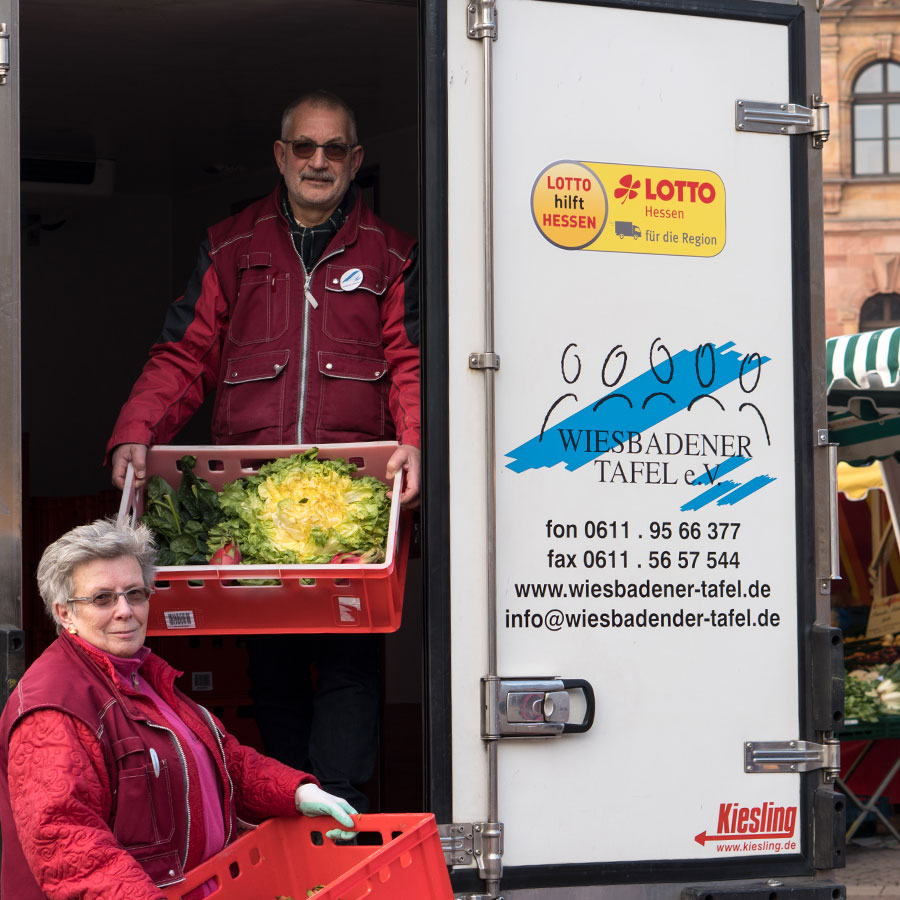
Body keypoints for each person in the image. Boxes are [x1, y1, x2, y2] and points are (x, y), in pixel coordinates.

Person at [104, 90, 421, 813]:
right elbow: (183, 355)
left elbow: (411, 361)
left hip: (355, 497)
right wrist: (136, 430)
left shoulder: (392, 253)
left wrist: (414, 442)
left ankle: (341, 806)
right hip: (252, 497)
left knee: (350, 655)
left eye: (334, 150)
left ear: (355, 161)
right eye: (304, 148)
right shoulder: (230, 245)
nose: (318, 162)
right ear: (281, 156)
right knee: (272, 656)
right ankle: (288, 804)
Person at [0, 520, 358, 900]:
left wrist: (296, 793)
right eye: (102, 598)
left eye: (135, 594)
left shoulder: (142, 675)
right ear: (65, 613)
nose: (125, 610)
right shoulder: (54, 705)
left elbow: (226, 761)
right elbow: (69, 846)